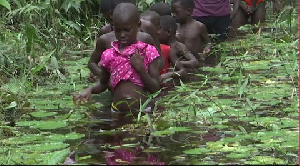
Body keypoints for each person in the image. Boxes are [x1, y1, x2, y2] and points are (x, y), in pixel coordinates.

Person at [74, 3, 161, 112]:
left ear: (138, 26)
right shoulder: (109, 55)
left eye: (127, 30)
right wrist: (90, 89)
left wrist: (141, 70)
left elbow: (155, 88)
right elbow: (103, 84)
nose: (122, 34)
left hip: (143, 110)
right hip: (116, 110)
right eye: (118, 30)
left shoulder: (147, 51)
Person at [88, 0, 164, 82]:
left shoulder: (146, 30)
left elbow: (159, 59)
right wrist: (105, 76)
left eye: (127, 29)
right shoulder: (105, 36)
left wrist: (147, 75)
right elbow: (93, 63)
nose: (122, 35)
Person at [158, 15, 201, 82]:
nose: (156, 33)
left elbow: (195, 62)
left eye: (158, 30)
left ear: (168, 32)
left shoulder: (178, 46)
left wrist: (176, 63)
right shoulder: (158, 46)